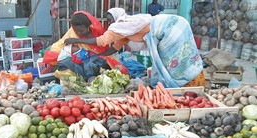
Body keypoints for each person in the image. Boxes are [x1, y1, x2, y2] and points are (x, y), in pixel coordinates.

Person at [64, 7, 205, 88]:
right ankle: (183, 84)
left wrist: (74, 40)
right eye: (108, 21)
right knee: (175, 59)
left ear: (116, 18)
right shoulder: (127, 28)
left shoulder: (120, 25)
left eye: (110, 20)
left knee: (175, 60)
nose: (110, 23)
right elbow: (114, 48)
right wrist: (98, 56)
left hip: (170, 27)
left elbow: (102, 41)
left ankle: (186, 83)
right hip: (175, 23)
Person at [50, 11, 128, 74]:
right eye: (76, 30)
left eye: (82, 31)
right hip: (81, 63)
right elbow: (58, 48)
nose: (79, 33)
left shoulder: (96, 33)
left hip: (98, 59)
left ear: (88, 27)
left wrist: (77, 40)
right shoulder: (72, 34)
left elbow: (103, 45)